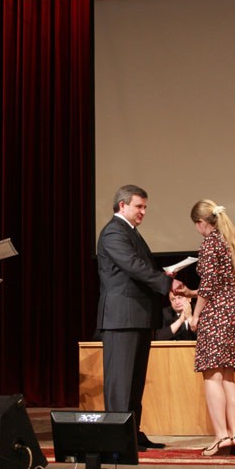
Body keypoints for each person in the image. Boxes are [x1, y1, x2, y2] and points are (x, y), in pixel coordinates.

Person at [96, 184, 184, 451]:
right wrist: (166, 283)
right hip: (122, 318)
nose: (143, 212)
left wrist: (162, 275)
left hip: (137, 316)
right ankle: (117, 438)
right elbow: (133, 266)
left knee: (134, 382)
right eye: (139, 206)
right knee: (120, 383)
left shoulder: (129, 231)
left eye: (145, 207)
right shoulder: (113, 231)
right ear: (122, 205)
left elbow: (139, 267)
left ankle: (132, 432)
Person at [177, 200, 235, 457]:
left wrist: (195, 315)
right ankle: (233, 434)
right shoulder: (230, 241)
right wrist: (192, 292)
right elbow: (221, 284)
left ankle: (220, 437)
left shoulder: (209, 243)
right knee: (228, 376)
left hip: (217, 313)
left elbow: (209, 286)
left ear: (200, 222)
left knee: (212, 375)